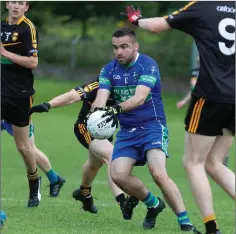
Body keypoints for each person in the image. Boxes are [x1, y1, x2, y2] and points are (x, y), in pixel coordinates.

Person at [122, 2, 235, 234]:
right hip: (234, 97)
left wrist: (136, 20)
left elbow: (156, 26)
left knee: (193, 162)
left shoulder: (202, 7)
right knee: (214, 163)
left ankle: (211, 229)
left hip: (210, 95)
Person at [91, 27, 200, 232]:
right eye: (115, 48)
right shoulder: (109, 69)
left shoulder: (147, 65)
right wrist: (97, 113)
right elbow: (101, 96)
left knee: (158, 172)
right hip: (127, 131)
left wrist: (114, 109)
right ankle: (153, 204)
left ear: (135, 46)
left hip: (152, 126)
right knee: (118, 175)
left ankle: (185, 222)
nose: (119, 52)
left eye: (124, 47)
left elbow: (139, 98)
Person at [29, 79, 128, 215]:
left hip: (104, 131)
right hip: (86, 128)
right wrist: (48, 105)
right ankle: (123, 201)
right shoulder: (101, 82)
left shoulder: (130, 86)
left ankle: (84, 193)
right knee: (112, 156)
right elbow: (73, 96)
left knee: (95, 164)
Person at [1, 1, 42, 207]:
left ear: (26, 7)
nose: (16, 6)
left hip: (20, 95)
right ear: (7, 4)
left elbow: (33, 63)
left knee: (23, 147)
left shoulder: (28, 29)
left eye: (21, 3)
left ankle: (34, 183)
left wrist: (6, 54)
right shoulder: (1, 26)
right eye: (13, 1)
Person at [1, 119, 65, 197]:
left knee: (28, 149)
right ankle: (54, 179)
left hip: (16, 115)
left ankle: (54, 179)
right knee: (29, 149)